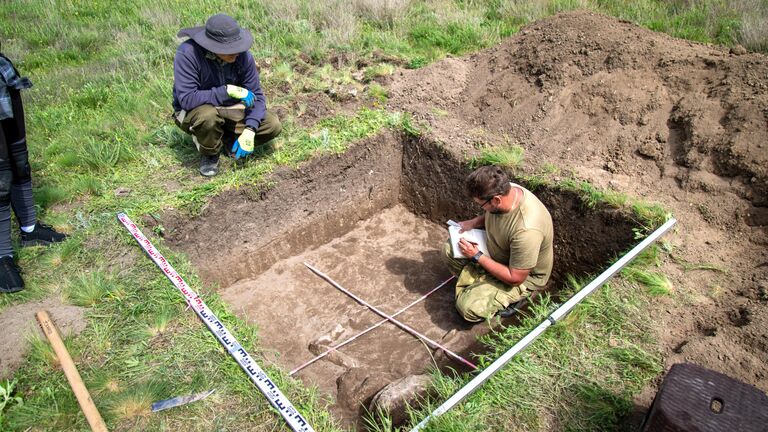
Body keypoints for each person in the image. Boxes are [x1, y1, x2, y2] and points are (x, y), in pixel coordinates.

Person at [172, 13, 282, 177]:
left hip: (230, 109)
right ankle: (210, 153)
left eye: (237, 47)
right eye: (229, 50)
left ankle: (229, 140)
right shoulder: (188, 54)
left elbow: (257, 96)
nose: (236, 52)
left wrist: (250, 129)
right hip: (197, 110)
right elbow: (187, 99)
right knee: (207, 117)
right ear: (212, 46)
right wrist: (226, 91)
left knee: (272, 124)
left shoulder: (243, 56)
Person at [443, 166, 553, 322]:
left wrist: (476, 256)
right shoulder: (508, 190)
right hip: (498, 251)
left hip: (520, 277)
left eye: (481, 204)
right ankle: (485, 281)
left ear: (496, 200)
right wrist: (474, 223)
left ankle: (510, 298)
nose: (481, 208)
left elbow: (515, 277)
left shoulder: (527, 231)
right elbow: (491, 212)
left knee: (468, 308)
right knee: (450, 249)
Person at [0, 48, 67, 293]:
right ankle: (2, 256)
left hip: (2, 78)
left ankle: (30, 230)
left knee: (19, 159)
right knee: (0, 176)